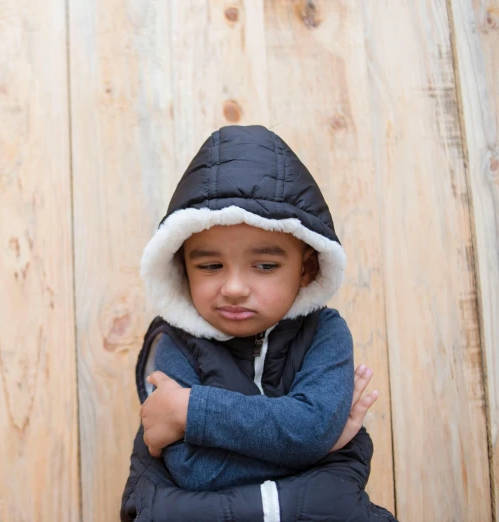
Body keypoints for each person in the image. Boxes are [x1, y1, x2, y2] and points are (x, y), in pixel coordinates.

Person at [120, 125, 397, 521]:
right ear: (184, 270)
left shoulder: (325, 333)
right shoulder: (173, 344)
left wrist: (192, 409)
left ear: (307, 267)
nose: (233, 288)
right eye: (211, 266)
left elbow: (311, 427)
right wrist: (323, 446)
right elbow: (193, 470)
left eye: (265, 266)